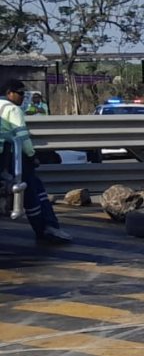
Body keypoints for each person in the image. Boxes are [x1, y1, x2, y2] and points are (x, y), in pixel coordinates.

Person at [0, 79, 71, 243]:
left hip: (3, 158)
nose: (23, 97)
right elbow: (22, 137)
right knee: (33, 189)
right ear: (9, 93)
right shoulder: (12, 109)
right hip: (9, 156)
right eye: (20, 93)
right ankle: (46, 228)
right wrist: (32, 157)